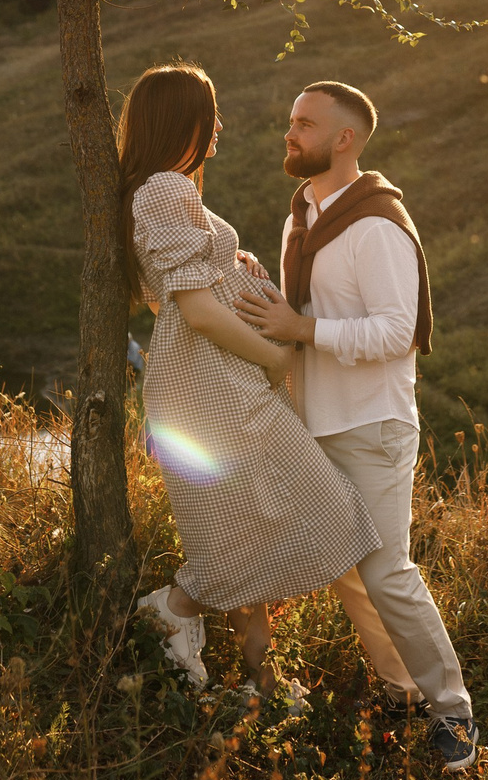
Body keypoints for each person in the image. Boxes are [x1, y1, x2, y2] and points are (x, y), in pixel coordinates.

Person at [235, 80, 480, 774]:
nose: (291, 133)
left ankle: (454, 712)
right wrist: (269, 294)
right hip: (315, 419)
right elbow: (306, 315)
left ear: (344, 140)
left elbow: (398, 331)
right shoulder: (300, 221)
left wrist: (302, 326)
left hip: (372, 423)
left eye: (305, 124)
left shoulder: (376, 225)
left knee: (385, 569)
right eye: (291, 121)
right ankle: (400, 689)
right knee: (347, 570)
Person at [121, 63, 381, 702]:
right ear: (184, 119)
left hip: (210, 380)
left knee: (240, 527)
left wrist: (234, 270)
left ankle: (263, 681)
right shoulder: (162, 189)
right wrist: (275, 360)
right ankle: (177, 607)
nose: (219, 126)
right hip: (217, 385)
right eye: (210, 112)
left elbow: (178, 298)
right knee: (328, 508)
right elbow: (197, 311)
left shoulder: (165, 190)